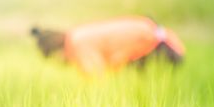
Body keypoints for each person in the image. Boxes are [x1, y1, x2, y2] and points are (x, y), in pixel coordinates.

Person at [31, 17, 185, 73]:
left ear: (56, 51)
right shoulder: (77, 35)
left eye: (54, 58)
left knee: (148, 91)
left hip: (156, 46)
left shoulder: (77, 45)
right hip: (152, 36)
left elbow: (96, 75)